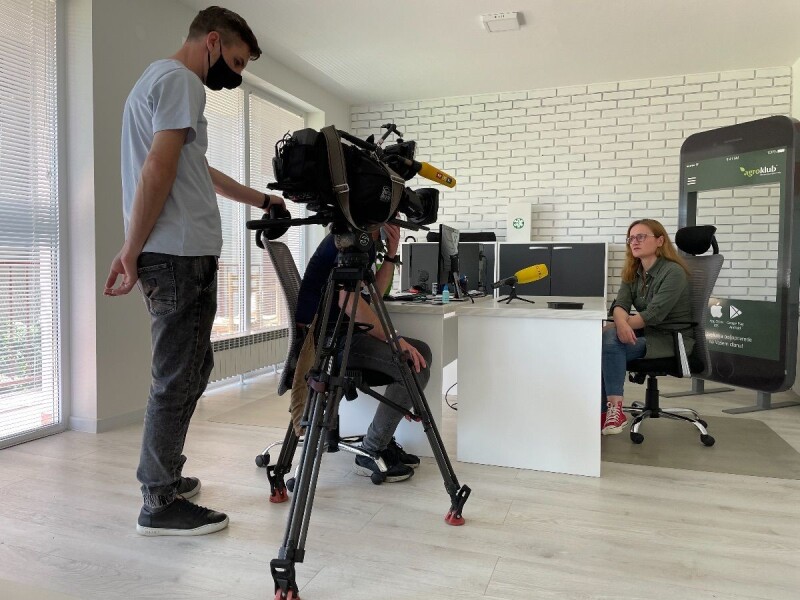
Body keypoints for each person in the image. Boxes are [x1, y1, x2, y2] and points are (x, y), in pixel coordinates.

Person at [104, 6, 285, 536]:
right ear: (211, 42)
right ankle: (158, 500)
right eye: (236, 61)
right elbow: (158, 168)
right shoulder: (183, 81)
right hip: (178, 255)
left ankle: (165, 475)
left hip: (176, 253)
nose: (235, 74)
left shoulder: (156, 79)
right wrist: (131, 249)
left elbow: (193, 167)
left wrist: (261, 199)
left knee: (192, 368)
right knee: (176, 377)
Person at [294, 223, 432, 482]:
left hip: (347, 333)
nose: (397, 220)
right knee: (409, 363)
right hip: (329, 342)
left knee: (420, 353)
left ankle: (380, 441)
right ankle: (372, 450)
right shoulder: (350, 240)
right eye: (394, 213)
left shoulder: (363, 241)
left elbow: (373, 295)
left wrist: (391, 253)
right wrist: (396, 340)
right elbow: (349, 303)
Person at [601, 219, 693, 435]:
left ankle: (613, 410)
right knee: (604, 341)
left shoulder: (673, 272)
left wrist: (617, 326)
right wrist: (620, 323)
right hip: (643, 333)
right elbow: (620, 305)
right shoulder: (633, 271)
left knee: (608, 343)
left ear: (660, 241)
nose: (634, 241)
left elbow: (653, 314)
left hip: (670, 339)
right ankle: (604, 413)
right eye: (631, 238)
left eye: (641, 237)